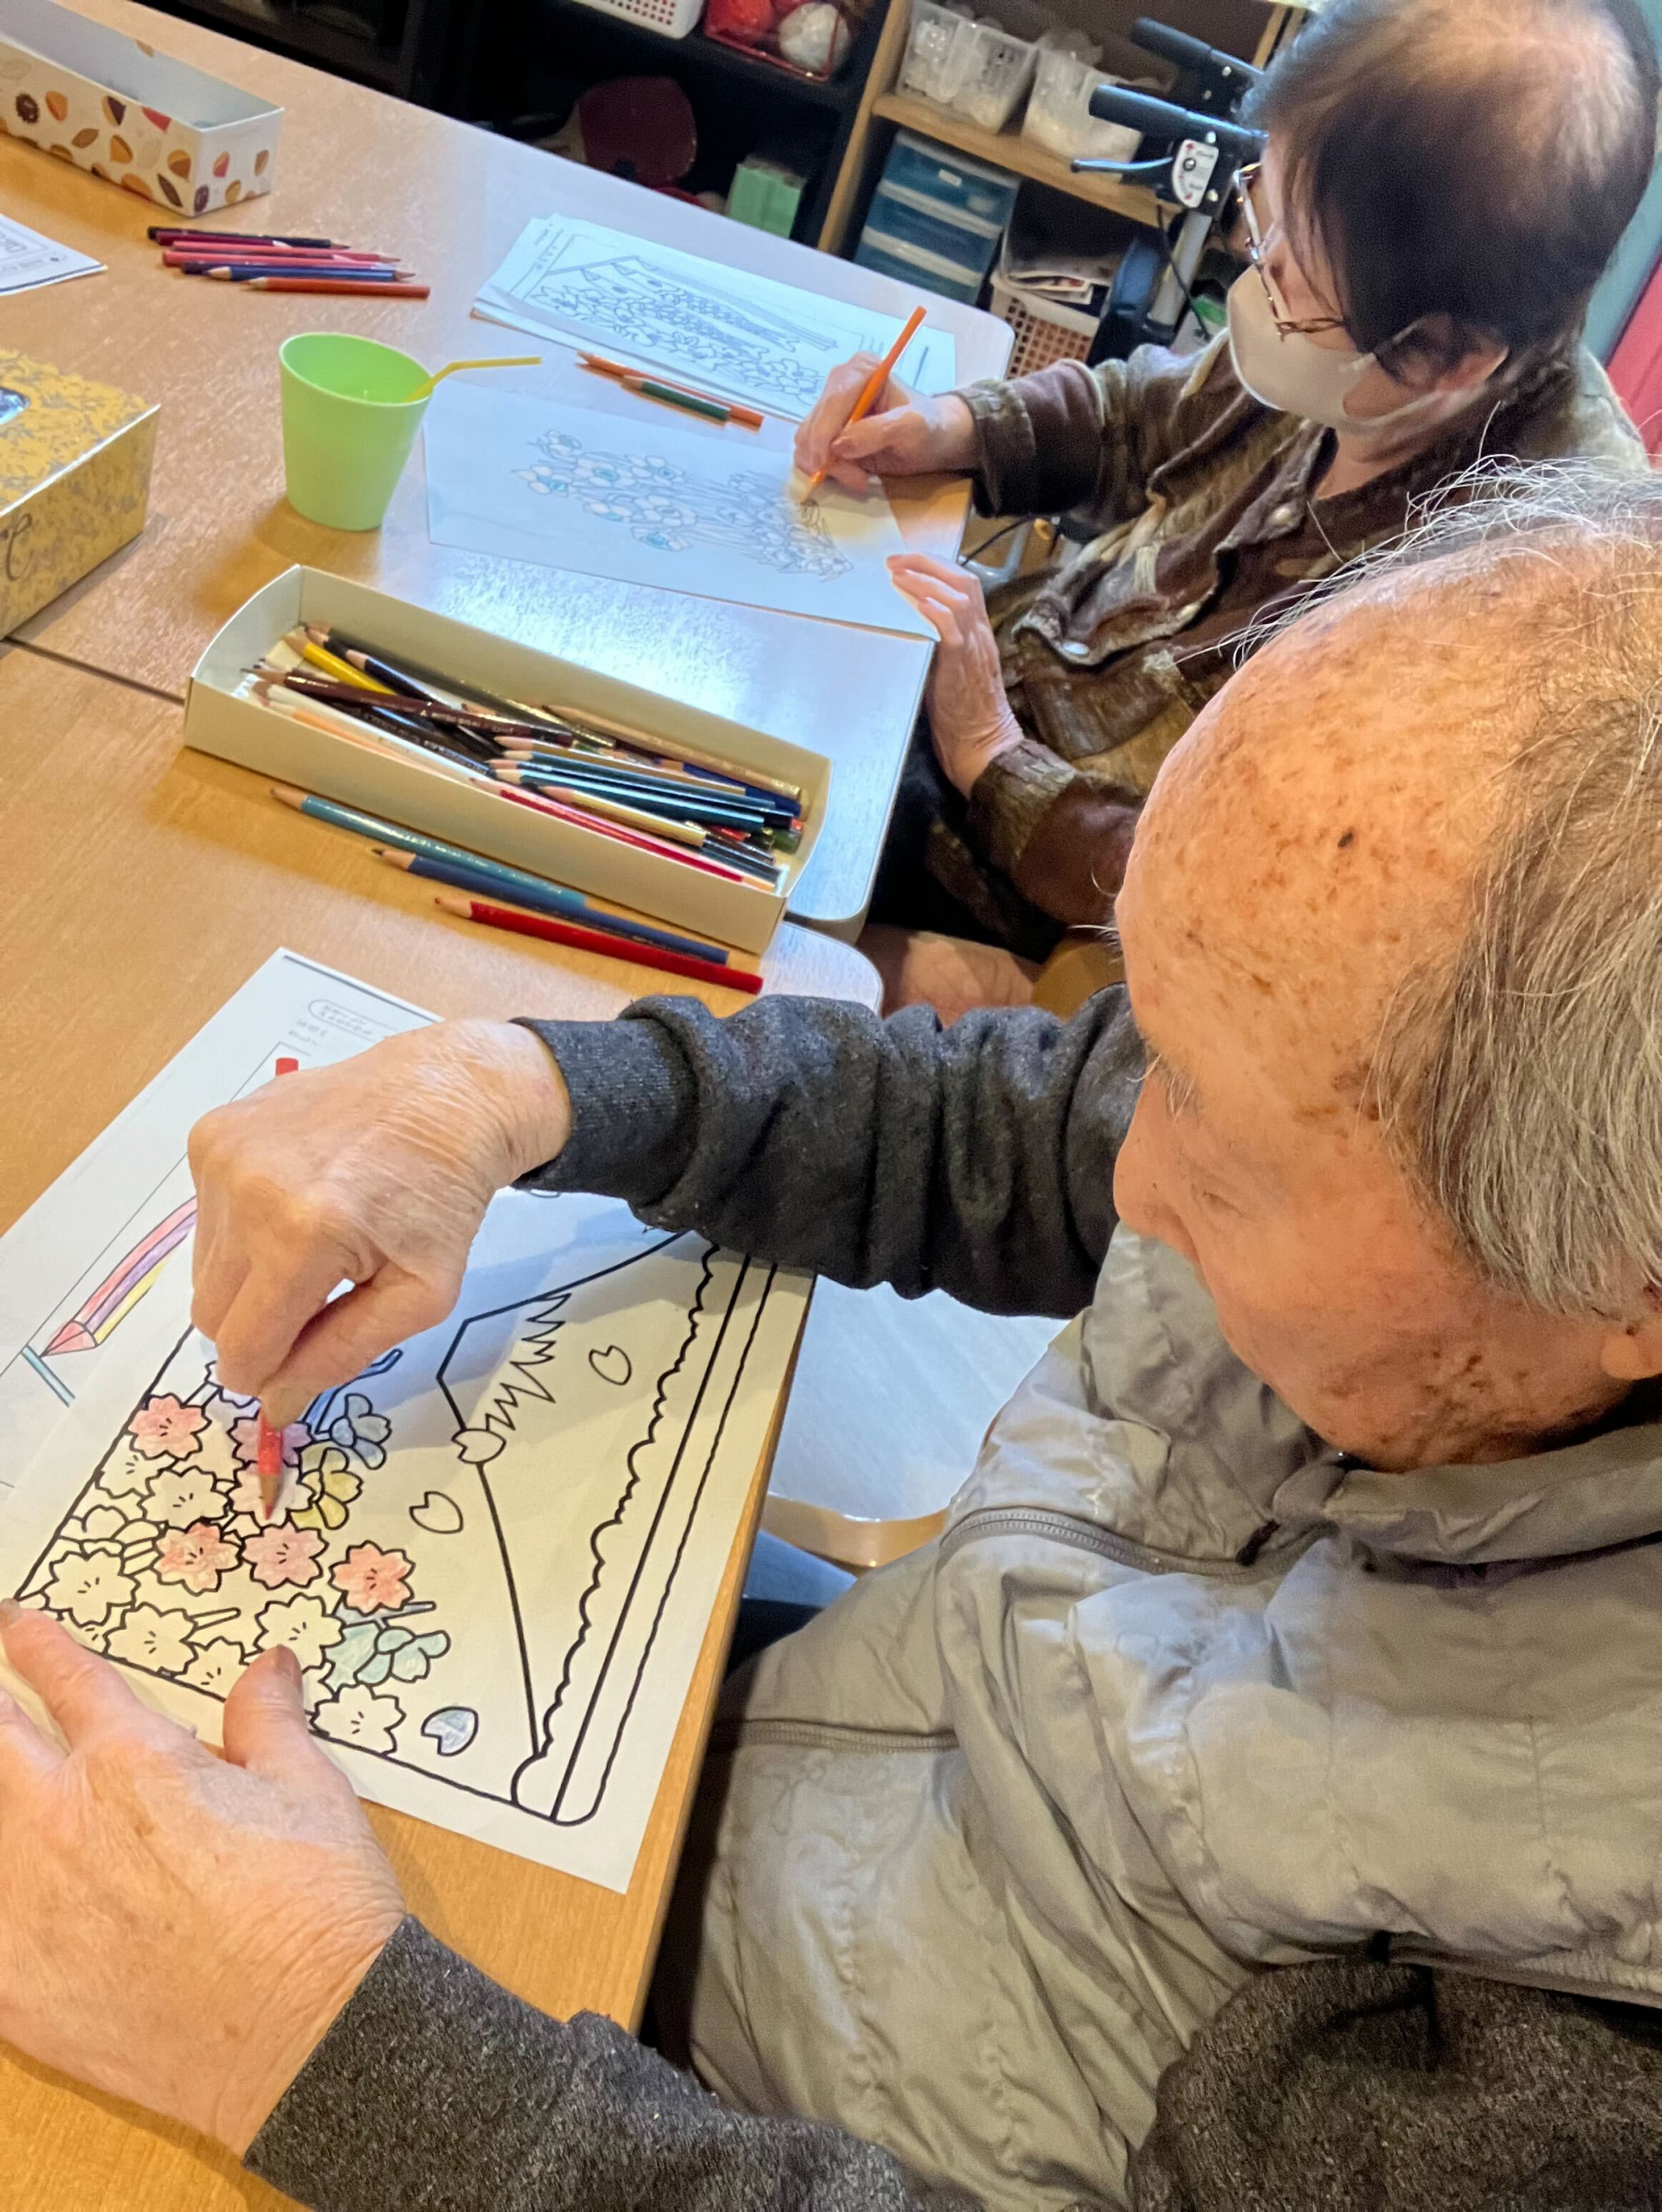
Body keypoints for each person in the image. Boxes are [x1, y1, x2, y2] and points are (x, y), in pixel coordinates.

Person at [10, 463, 1662, 2209]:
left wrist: (318, 2041)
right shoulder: (1413, 1121)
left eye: (1230, 1160)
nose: (1133, 1172)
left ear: (1624, 1284)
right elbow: (1016, 1118)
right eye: (1152, 1045)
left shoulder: (1596, 2059)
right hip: (766, 1780)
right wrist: (520, 1082)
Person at [798, 0, 1656, 1019]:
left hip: (1060, 915)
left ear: (1454, 357)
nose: (1258, 260)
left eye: (1293, 275)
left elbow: (1246, 914)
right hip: (987, 702)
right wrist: (952, 428)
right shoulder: (1364, 338)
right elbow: (1145, 416)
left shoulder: (1515, 614)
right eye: (1267, 207)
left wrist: (990, 753)